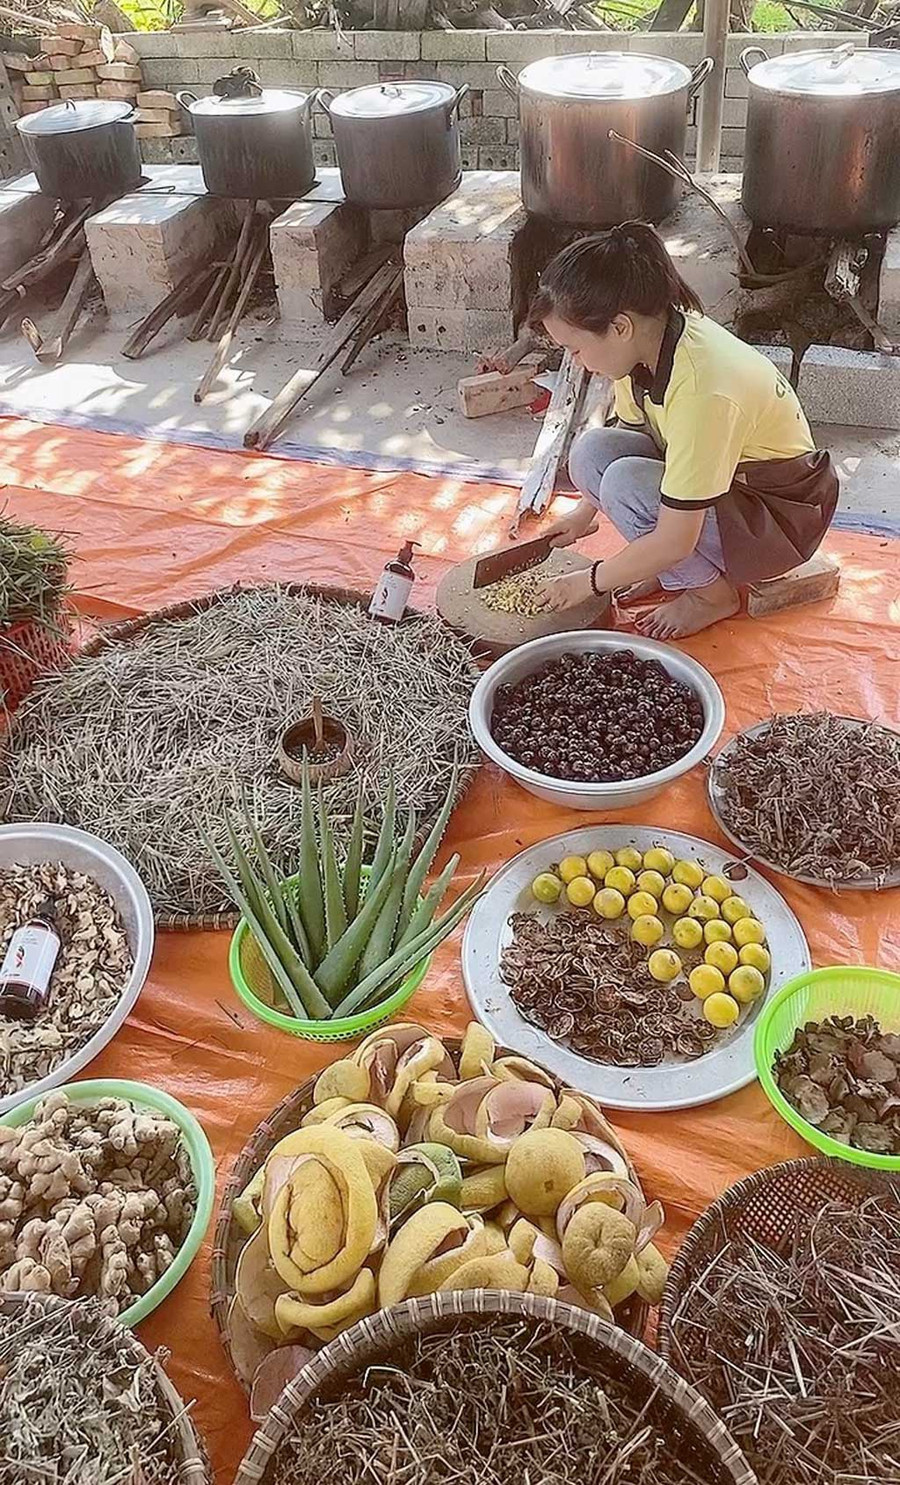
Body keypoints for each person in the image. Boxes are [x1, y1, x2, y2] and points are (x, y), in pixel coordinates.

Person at [529, 223, 839, 639]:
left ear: (619, 327)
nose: (579, 362)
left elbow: (675, 539)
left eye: (576, 348)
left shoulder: (703, 387)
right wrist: (584, 513)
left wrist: (588, 581)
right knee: (590, 451)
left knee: (625, 484)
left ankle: (711, 595)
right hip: (726, 487)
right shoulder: (643, 344)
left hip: (778, 517)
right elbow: (633, 434)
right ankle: (677, 572)